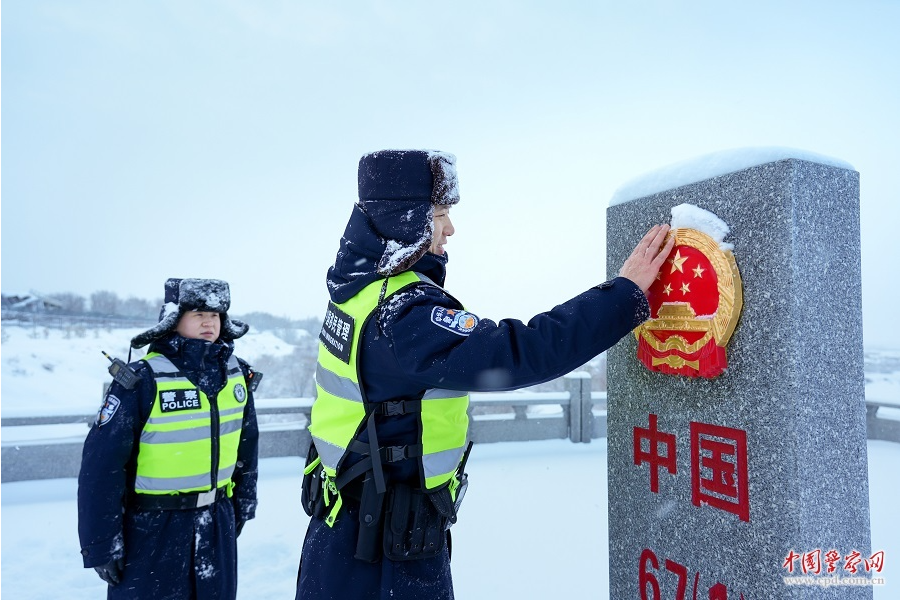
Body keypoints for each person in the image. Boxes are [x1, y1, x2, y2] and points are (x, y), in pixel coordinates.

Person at [294, 149, 674, 600]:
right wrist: (622, 295)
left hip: (343, 529)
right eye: (439, 214)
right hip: (383, 554)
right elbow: (518, 353)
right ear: (404, 220)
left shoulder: (356, 292)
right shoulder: (402, 315)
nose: (450, 228)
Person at [78, 278, 261, 600]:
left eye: (216, 315)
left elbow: (247, 447)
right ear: (174, 319)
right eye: (198, 314)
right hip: (151, 528)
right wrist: (101, 543)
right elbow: (101, 467)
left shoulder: (237, 376)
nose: (209, 322)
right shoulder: (142, 380)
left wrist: (243, 505)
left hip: (216, 520)